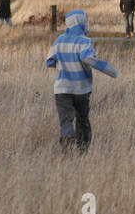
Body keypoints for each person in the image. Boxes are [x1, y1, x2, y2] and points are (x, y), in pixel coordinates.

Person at [44, 9, 119, 151]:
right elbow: (87, 58)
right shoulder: (85, 41)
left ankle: (67, 139)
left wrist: (61, 64)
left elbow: (49, 61)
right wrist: (110, 70)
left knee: (65, 119)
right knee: (82, 118)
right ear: (81, 23)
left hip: (62, 88)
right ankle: (83, 149)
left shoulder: (59, 40)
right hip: (81, 88)